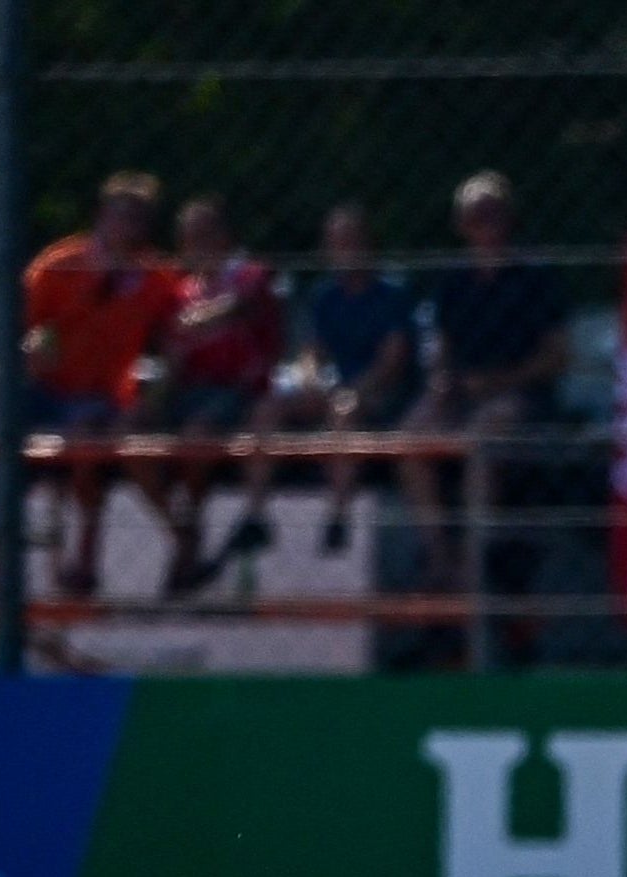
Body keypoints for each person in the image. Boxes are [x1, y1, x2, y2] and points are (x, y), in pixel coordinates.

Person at [216, 200, 411, 569]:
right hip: (336, 390)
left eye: (352, 240)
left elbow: (392, 362)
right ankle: (255, 515)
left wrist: (355, 391)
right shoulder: (325, 295)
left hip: (379, 395)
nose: (344, 249)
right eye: (337, 241)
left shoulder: (392, 293)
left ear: (368, 244)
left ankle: (337, 516)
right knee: (268, 407)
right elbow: (312, 353)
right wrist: (307, 378)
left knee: (343, 411)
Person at [21, 171, 182, 598]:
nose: (128, 226)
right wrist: (39, 349)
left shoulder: (156, 278)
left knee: (92, 436)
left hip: (106, 398)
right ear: (100, 217)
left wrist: (157, 396)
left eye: (138, 217)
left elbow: (176, 341)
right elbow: (34, 334)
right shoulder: (56, 266)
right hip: (46, 391)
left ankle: (88, 561)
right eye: (120, 215)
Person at [401, 172, 573, 559]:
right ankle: (439, 554)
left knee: (483, 432)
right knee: (413, 432)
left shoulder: (537, 277)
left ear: (510, 219)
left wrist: (498, 381)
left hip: (523, 395)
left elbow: (557, 358)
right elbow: (440, 349)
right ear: (460, 225)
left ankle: (475, 562)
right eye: (475, 216)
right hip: (463, 391)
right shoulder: (451, 281)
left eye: (493, 213)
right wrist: (443, 382)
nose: (485, 224)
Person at [149, 196, 283, 597]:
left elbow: (243, 306)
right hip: (188, 391)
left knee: (198, 431)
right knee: (131, 438)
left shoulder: (249, 274)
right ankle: (184, 534)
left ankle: (190, 540)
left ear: (225, 235)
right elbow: (172, 355)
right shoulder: (181, 289)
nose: (196, 242)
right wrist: (153, 398)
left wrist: (205, 317)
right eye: (189, 236)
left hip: (235, 392)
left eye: (205, 232)